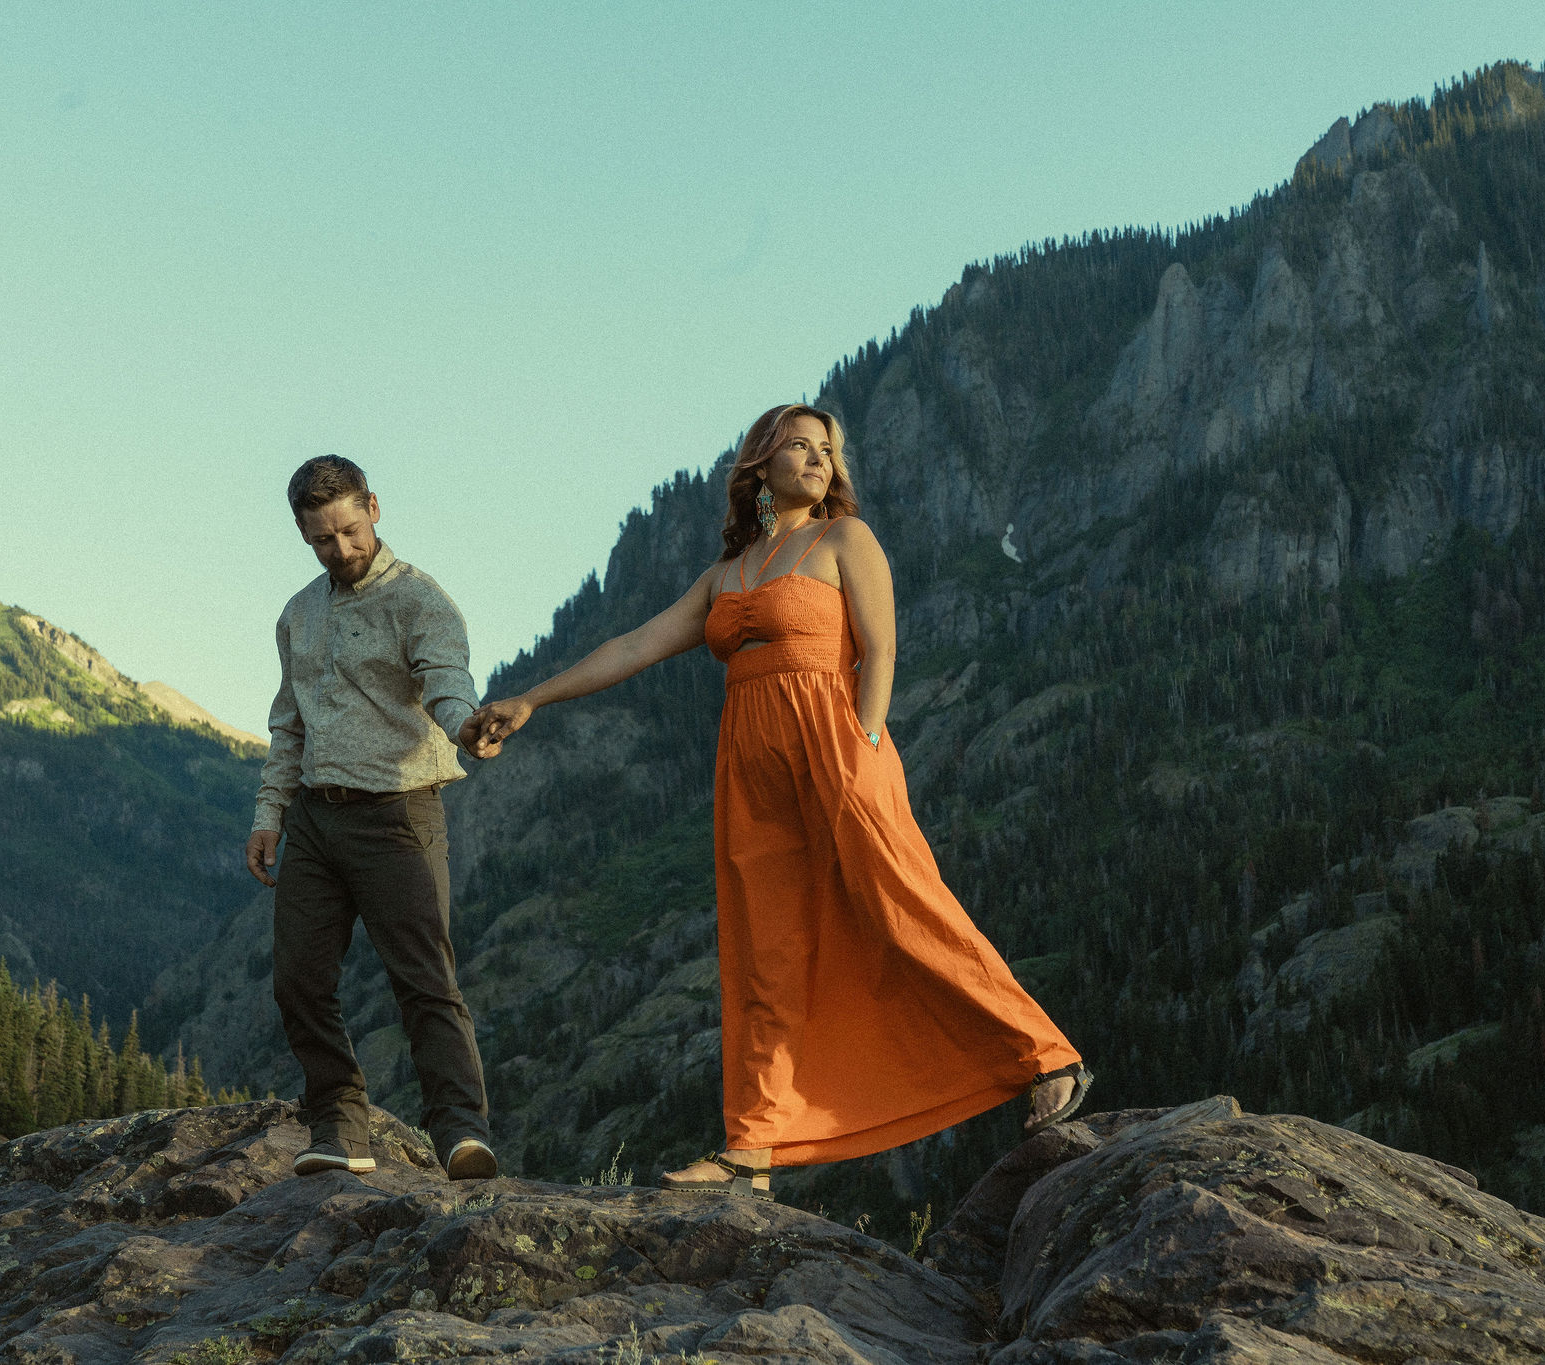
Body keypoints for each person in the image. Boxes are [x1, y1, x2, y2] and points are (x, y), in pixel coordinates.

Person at [461, 405, 1089, 1199]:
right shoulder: (728, 573)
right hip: (749, 767)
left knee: (902, 905)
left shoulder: (845, 541)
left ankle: (1044, 1054)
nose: (821, 457)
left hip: (835, 745)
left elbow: (882, 648)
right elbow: (632, 645)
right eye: (802, 444)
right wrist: (532, 699)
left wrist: (862, 743)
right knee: (766, 947)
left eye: (829, 448)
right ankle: (752, 1145)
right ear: (759, 463)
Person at [245, 455, 497, 1181]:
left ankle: (460, 1132)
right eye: (323, 539)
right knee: (297, 977)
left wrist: (467, 727)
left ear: (375, 508)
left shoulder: (422, 601)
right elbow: (287, 725)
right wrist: (270, 813)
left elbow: (447, 684)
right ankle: (339, 1122)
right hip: (316, 821)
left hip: (400, 815)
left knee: (424, 979)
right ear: (304, 535)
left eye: (351, 530)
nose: (342, 549)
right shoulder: (298, 614)